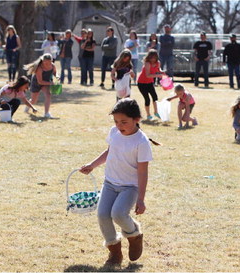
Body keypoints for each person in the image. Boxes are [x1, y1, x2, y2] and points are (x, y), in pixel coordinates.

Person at [79, 98, 157, 267]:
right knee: (102, 215)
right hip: (110, 183)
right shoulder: (114, 132)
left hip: (129, 187)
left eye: (124, 122)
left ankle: (134, 235)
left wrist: (141, 199)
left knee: (119, 214)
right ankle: (115, 253)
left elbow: (143, 172)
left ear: (136, 120)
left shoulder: (141, 142)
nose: (119, 125)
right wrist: (92, 165)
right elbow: (109, 151)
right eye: (116, 121)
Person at [24, 53, 57, 118]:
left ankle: (46, 113)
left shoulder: (53, 66)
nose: (48, 64)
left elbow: (55, 73)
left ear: (51, 60)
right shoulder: (39, 68)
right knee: (34, 100)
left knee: (48, 95)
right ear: (43, 61)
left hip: (46, 82)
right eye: (46, 63)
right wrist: (50, 83)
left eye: (49, 62)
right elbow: (40, 82)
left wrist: (57, 77)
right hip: (37, 83)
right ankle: (28, 105)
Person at [137, 49, 165, 120]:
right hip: (141, 83)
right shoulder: (147, 63)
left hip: (149, 83)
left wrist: (162, 72)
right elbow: (148, 75)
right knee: (147, 99)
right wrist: (157, 75)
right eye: (151, 57)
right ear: (148, 57)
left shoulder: (158, 63)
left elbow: (158, 70)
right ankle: (148, 115)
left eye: (154, 57)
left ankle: (156, 112)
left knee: (155, 97)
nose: (153, 59)